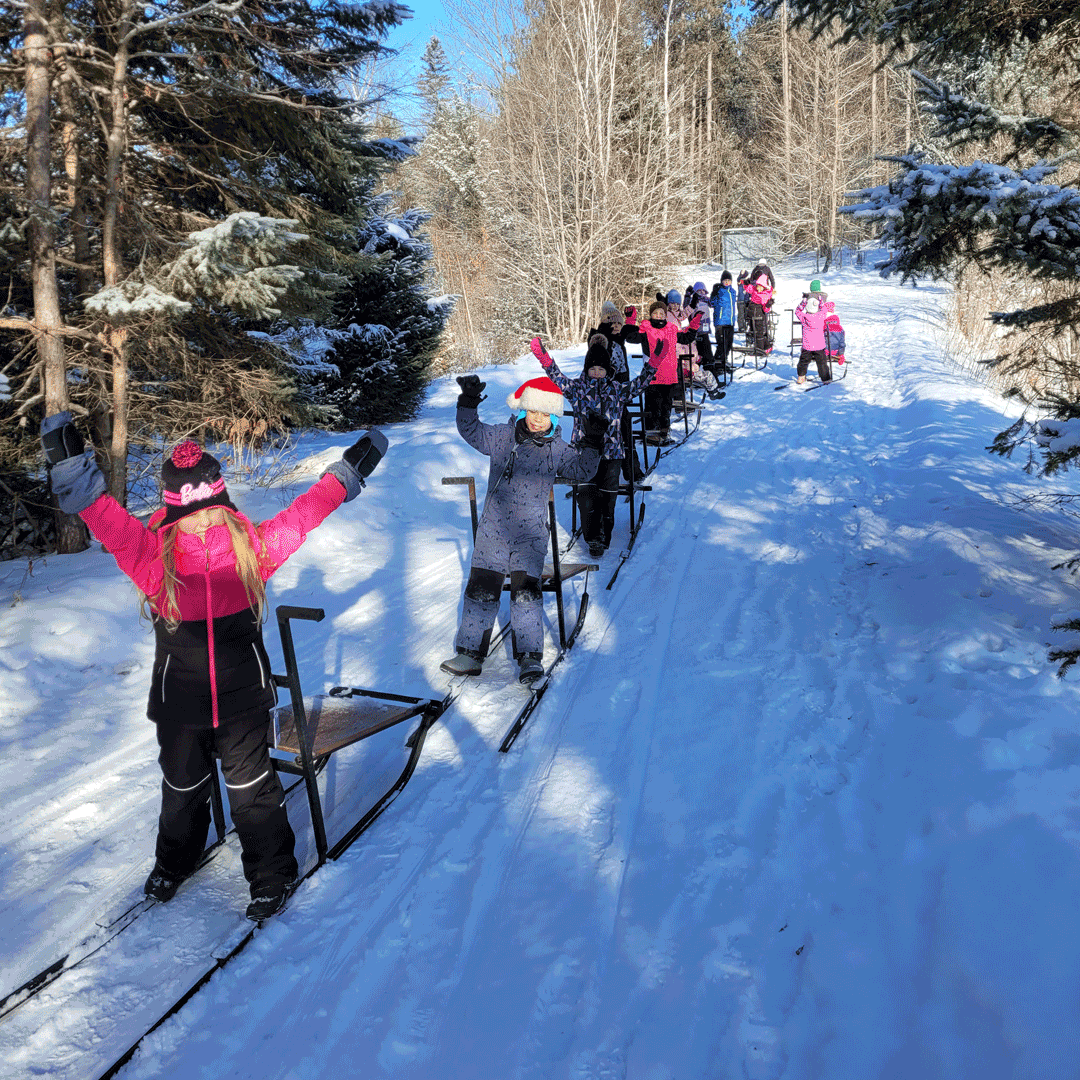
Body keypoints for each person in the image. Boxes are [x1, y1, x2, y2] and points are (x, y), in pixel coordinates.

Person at [40, 413, 386, 921]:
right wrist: (74, 471)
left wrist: (343, 477)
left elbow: (301, 515)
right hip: (179, 703)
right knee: (181, 786)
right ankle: (173, 861)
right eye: (191, 515)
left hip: (243, 698)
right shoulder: (153, 559)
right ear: (173, 512)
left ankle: (272, 874)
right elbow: (106, 518)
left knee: (253, 790)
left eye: (211, 511)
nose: (203, 523)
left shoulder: (251, 551)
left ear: (224, 504)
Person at [440, 373, 604, 685]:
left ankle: (529, 656)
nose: (538, 420)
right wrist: (468, 402)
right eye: (533, 412)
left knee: (525, 595)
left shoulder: (558, 449)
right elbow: (470, 430)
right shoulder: (502, 437)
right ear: (522, 410)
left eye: (545, 414)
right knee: (480, 590)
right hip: (493, 532)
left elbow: (584, 469)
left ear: (553, 416)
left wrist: (594, 441)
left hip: (530, 537)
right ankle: (470, 653)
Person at [530, 332, 659, 557]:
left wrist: (654, 364)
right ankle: (593, 539)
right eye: (593, 369)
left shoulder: (617, 390)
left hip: (612, 453)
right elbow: (556, 376)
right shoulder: (577, 388)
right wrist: (544, 358)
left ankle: (604, 535)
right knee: (586, 495)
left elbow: (641, 383)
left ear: (608, 370)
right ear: (586, 369)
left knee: (608, 496)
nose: (597, 373)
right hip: (583, 453)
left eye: (601, 369)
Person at [632, 299, 681, 444]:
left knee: (666, 405)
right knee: (653, 405)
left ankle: (664, 431)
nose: (659, 316)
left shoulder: (672, 329)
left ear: (666, 315)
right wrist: (630, 323)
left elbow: (685, 338)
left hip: (669, 374)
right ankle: (652, 434)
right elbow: (631, 338)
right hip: (652, 375)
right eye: (655, 313)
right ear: (651, 315)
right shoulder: (645, 329)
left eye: (661, 313)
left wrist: (693, 327)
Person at [795, 284, 831, 384]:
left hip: (807, 346)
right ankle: (826, 379)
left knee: (803, 361)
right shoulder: (820, 316)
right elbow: (824, 309)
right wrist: (820, 301)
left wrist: (803, 302)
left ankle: (801, 377)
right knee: (822, 363)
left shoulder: (804, 317)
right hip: (819, 345)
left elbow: (797, 311)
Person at [746, 262, 776, 355]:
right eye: (757, 286)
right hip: (752, 314)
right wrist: (746, 283)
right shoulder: (755, 289)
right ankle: (767, 346)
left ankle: (760, 350)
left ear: (764, 287)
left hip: (759, 315)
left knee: (759, 333)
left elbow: (766, 309)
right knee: (755, 332)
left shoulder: (765, 295)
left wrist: (767, 305)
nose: (758, 288)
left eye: (760, 287)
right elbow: (749, 288)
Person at [711, 271, 737, 373]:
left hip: (730, 321)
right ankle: (717, 363)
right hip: (720, 321)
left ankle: (723, 361)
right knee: (721, 344)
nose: (727, 282)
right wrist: (713, 294)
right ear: (721, 281)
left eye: (728, 281)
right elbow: (712, 303)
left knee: (729, 343)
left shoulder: (733, 292)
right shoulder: (719, 291)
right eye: (725, 281)